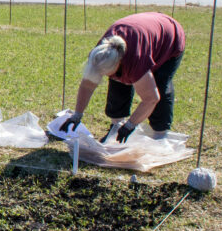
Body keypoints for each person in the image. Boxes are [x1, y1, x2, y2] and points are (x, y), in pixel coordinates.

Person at [61, 12, 185, 143]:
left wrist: (130, 125)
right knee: (118, 81)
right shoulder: (100, 54)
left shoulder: (135, 60)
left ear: (119, 62)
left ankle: (160, 135)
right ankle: (116, 126)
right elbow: (88, 85)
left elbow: (151, 99)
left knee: (159, 84)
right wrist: (77, 115)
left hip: (168, 36)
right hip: (140, 31)